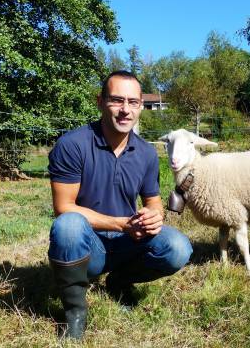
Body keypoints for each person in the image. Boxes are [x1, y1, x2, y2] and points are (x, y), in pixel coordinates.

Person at [47, 70, 193, 340]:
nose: (125, 110)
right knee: (67, 226)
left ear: (140, 106)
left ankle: (119, 281)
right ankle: (75, 314)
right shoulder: (72, 144)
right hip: (87, 246)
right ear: (100, 102)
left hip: (128, 241)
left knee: (178, 247)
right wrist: (120, 224)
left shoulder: (147, 153)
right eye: (117, 100)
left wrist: (154, 217)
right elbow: (63, 207)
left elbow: (154, 203)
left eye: (133, 102)